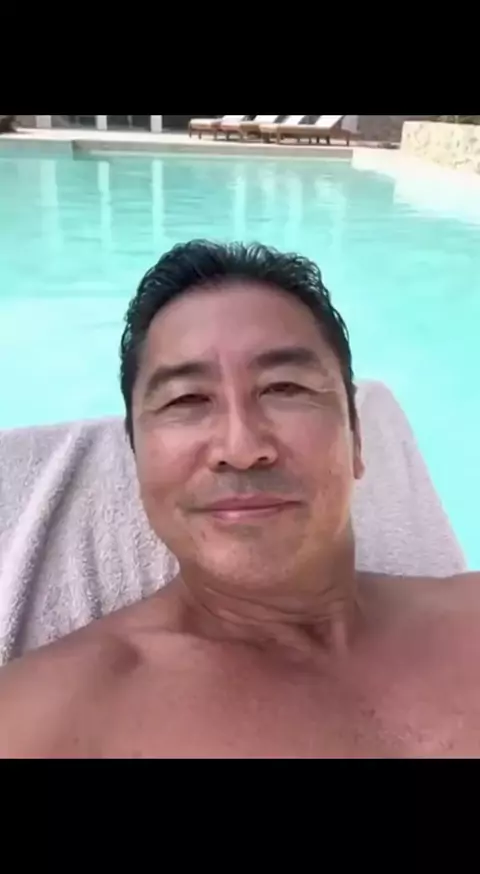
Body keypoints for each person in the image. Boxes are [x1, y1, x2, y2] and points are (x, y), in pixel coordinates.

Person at [0, 240, 478, 758]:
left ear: (357, 440)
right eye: (187, 399)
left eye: (284, 388)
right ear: (137, 460)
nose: (242, 449)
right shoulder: (44, 719)